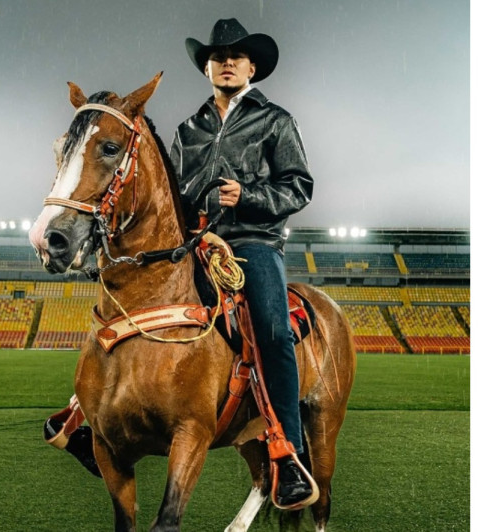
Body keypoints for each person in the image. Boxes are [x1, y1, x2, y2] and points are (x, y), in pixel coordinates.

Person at [170, 18, 316, 508]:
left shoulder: (275, 120)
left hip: (253, 243)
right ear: (206, 67)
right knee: (133, 297)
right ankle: (84, 417)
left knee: (274, 332)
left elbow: (299, 186)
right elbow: (172, 197)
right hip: (196, 244)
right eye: (218, 55)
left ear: (253, 66)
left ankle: (287, 452)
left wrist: (246, 195)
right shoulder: (188, 130)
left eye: (236, 55)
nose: (227, 61)